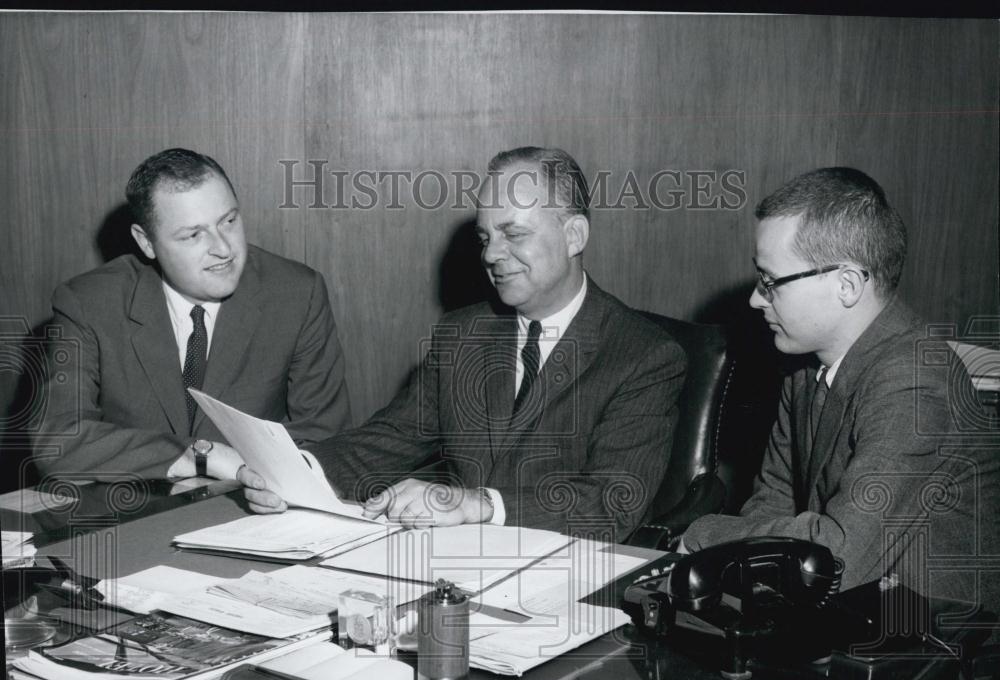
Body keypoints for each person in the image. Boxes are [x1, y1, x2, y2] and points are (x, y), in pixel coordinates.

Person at [242, 146, 686, 541]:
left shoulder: (644, 356)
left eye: (513, 234)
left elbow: (612, 502)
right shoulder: (462, 334)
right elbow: (392, 437)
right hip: (451, 572)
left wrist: (479, 503)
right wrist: (297, 474)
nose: (491, 255)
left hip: (568, 579)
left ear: (574, 236)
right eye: (485, 237)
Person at [682, 166, 1000, 609]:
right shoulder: (804, 365)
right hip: (841, 615)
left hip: (929, 650)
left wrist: (707, 533)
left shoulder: (915, 385)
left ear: (847, 285)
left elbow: (837, 556)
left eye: (770, 281)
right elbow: (771, 501)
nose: (756, 298)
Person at [33, 148, 352, 482]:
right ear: (147, 243)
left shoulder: (296, 293)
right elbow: (58, 441)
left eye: (229, 221)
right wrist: (199, 456)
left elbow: (326, 440)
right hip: (132, 512)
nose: (224, 248)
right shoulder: (89, 303)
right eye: (193, 234)